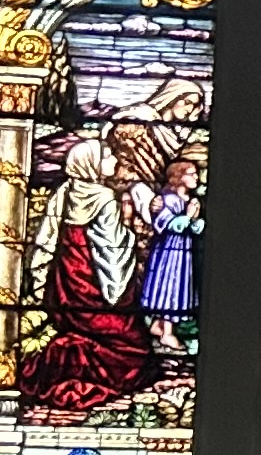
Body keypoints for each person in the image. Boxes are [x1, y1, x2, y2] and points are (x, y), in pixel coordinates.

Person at [19, 140, 151, 413]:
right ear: (90, 164)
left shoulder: (64, 192)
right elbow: (110, 249)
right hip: (94, 282)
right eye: (107, 156)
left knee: (77, 326)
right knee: (132, 345)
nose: (113, 160)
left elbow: (48, 237)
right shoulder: (104, 197)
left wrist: (41, 277)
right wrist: (131, 238)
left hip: (66, 279)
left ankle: (68, 356)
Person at [134, 147, 201, 370]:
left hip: (183, 253)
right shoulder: (166, 199)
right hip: (168, 254)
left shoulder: (188, 199)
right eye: (191, 174)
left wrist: (196, 222)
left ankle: (158, 326)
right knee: (168, 289)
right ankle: (167, 333)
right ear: (178, 177)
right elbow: (166, 225)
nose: (196, 177)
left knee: (178, 288)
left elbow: (192, 227)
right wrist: (188, 217)